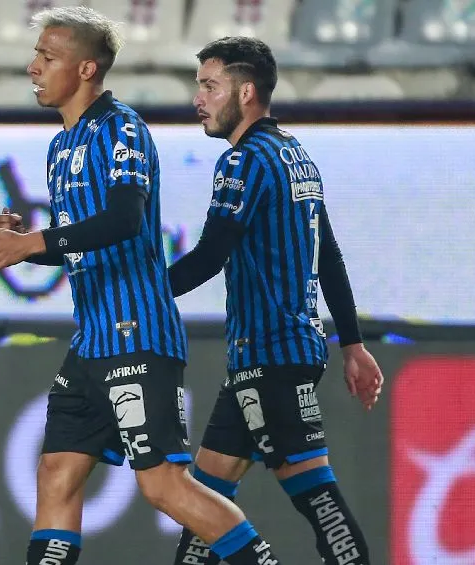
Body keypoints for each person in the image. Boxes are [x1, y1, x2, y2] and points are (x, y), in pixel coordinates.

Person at [0, 7, 282, 565]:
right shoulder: (61, 146)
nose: (32, 66)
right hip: (92, 342)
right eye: (36, 55)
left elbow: (125, 220)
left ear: (86, 68)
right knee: (56, 473)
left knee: (163, 486)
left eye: (47, 57)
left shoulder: (120, 127)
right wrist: (23, 242)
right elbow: (86, 247)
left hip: (137, 335)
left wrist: (34, 243)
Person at [166, 36, 384, 565]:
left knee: (316, 496)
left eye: (209, 86)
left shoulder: (242, 162)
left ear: (244, 92)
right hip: (279, 353)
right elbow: (327, 256)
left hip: (270, 355)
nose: (198, 98)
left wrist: (134, 296)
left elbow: (209, 257)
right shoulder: (296, 155)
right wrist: (352, 344)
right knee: (205, 502)